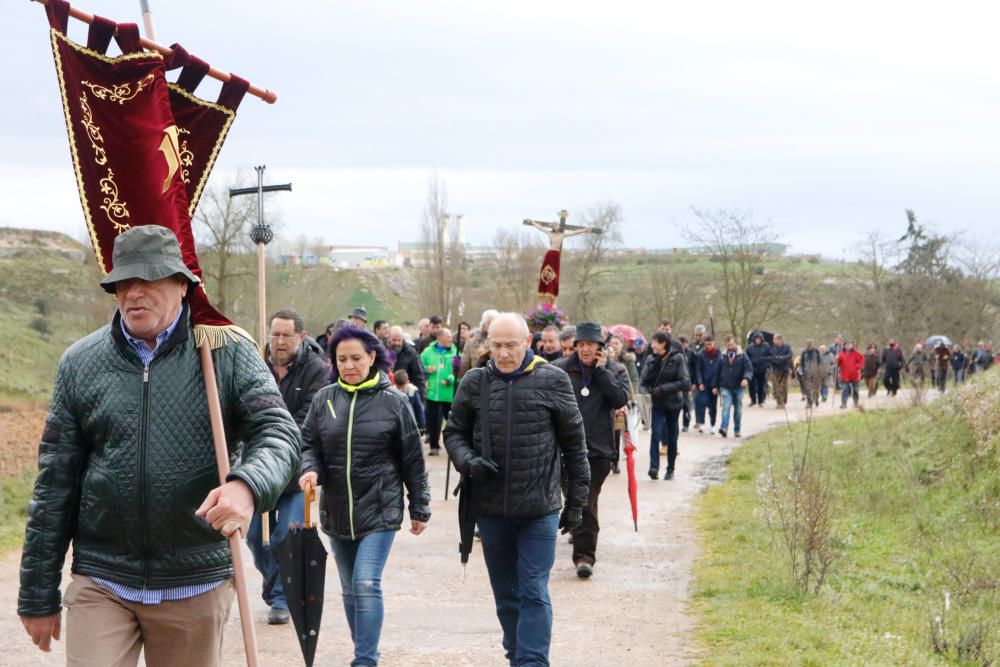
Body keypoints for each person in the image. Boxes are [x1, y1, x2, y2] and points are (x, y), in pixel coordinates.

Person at [17, 226, 300, 665]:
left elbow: (278, 434)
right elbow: (54, 484)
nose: (134, 293)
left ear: (182, 285)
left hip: (195, 580)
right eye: (124, 283)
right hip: (103, 579)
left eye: (148, 280)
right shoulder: (81, 363)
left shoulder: (226, 351)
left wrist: (246, 486)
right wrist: (37, 593)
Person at [445, 312, 590, 667]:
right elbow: (454, 433)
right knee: (507, 597)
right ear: (488, 344)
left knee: (533, 590)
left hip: (538, 507)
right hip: (491, 510)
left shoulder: (553, 380)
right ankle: (517, 655)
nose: (504, 353)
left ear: (528, 342)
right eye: (497, 345)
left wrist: (576, 501)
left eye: (511, 345)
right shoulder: (475, 382)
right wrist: (468, 461)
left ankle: (532, 661)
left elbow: (575, 444)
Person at [299, 326, 431, 667]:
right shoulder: (323, 399)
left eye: (356, 358)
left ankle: (365, 659)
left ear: (372, 357)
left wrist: (420, 507)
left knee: (366, 582)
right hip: (337, 511)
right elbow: (308, 444)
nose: (349, 365)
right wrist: (309, 469)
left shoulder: (394, 403)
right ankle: (365, 646)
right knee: (348, 588)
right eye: (341, 359)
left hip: (380, 508)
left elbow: (412, 460)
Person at [251, 308, 329, 625]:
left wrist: (277, 436)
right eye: (275, 334)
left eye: (286, 335)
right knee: (255, 536)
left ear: (300, 336)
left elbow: (311, 417)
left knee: (287, 535)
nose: (279, 341)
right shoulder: (256, 366)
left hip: (297, 471)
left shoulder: (316, 370)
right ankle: (275, 587)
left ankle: (282, 598)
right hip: (260, 471)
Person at [554, 322, 628, 575]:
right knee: (578, 499)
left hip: (598, 450)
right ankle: (581, 539)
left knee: (585, 500)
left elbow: (620, 399)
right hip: (566, 448)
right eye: (581, 345)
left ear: (600, 348)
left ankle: (585, 556)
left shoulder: (614, 371)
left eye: (591, 345)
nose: (586, 349)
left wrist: (601, 371)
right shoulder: (560, 370)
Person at [641, 331, 689, 480]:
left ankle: (670, 469)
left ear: (663, 344)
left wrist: (663, 389)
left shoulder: (677, 359)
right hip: (656, 404)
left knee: (672, 437)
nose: (652, 345)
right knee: (655, 434)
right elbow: (643, 381)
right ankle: (653, 467)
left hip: (673, 404)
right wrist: (644, 396)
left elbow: (685, 382)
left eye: (655, 342)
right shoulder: (650, 359)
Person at [420, 327, 459, 456]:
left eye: (451, 337)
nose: (450, 339)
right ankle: (434, 446)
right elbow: (418, 367)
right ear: (439, 338)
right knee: (433, 422)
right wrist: (426, 369)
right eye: (448, 337)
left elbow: (460, 372)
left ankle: (455, 445)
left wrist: (451, 379)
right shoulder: (427, 352)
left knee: (453, 421)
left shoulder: (456, 353)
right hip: (432, 393)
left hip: (448, 395)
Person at [713, 335, 753, 438]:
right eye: (727, 345)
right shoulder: (722, 356)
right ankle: (724, 428)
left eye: (731, 344)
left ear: (735, 343)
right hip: (725, 386)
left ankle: (737, 429)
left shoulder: (742, 355)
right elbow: (717, 372)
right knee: (726, 407)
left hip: (738, 386)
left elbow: (748, 369)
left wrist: (746, 378)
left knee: (738, 409)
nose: (729, 347)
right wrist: (715, 386)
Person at [459, 309, 499, 378]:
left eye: (496, 322)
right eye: (490, 322)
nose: (494, 325)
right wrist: (457, 367)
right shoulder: (471, 343)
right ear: (484, 326)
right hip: (477, 383)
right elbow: (463, 373)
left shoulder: (504, 343)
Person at [695, 335, 722, 434]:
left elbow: (720, 370)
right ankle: (701, 423)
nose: (708, 346)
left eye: (710, 344)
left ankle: (713, 424)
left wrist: (717, 385)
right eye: (706, 344)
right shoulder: (701, 355)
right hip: (704, 384)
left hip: (714, 385)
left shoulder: (719, 354)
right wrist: (700, 382)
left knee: (712, 406)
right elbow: (698, 370)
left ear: (714, 343)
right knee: (701, 403)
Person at [745, 331, 770, 407]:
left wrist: (767, 366)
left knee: (761, 386)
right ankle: (753, 400)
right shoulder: (750, 347)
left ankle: (760, 401)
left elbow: (769, 356)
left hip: (762, 369)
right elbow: (746, 357)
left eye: (759, 339)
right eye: (756, 339)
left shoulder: (766, 346)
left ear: (761, 339)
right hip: (752, 369)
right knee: (751, 386)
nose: (758, 340)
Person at [768, 334, 793, 409]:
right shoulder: (771, 348)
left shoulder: (787, 348)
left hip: (784, 370)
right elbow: (770, 357)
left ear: (780, 340)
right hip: (775, 370)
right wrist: (776, 359)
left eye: (776, 339)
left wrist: (782, 358)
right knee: (776, 386)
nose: (775, 341)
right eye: (774, 340)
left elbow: (789, 355)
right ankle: (779, 401)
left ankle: (783, 401)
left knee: (783, 386)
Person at [836, 341, 864, 408]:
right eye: (846, 345)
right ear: (844, 346)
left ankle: (856, 403)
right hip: (845, 375)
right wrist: (837, 359)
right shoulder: (840, 354)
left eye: (849, 345)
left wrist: (857, 367)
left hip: (855, 375)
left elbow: (861, 361)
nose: (848, 346)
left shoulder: (857, 353)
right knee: (845, 390)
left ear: (852, 346)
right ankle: (844, 404)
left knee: (855, 390)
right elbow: (838, 364)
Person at [678, 336, 696, 432]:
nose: (682, 346)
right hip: (678, 383)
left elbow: (695, 369)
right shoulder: (675, 354)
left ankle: (686, 424)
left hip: (688, 383)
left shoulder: (692, 354)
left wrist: (694, 383)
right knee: (676, 405)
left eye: (684, 344)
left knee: (687, 405)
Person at [799, 340, 822, 408]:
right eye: (808, 344)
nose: (809, 346)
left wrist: (819, 370)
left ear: (812, 345)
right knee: (808, 388)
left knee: (816, 388)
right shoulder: (804, 352)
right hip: (806, 373)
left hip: (815, 372)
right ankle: (809, 402)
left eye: (810, 344)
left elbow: (820, 361)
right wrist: (802, 371)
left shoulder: (816, 352)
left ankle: (816, 398)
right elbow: (801, 363)